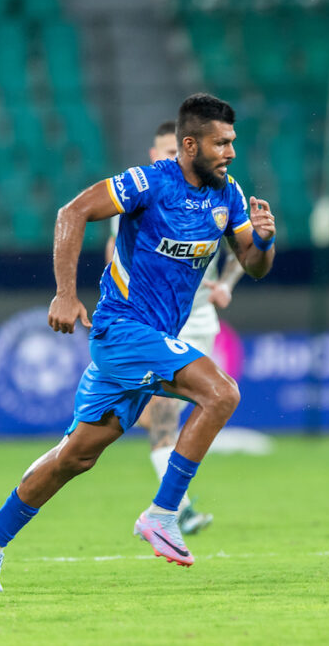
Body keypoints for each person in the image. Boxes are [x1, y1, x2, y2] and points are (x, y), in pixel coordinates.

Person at [0, 93, 276, 593]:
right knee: (221, 393)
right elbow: (73, 211)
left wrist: (264, 239)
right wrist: (65, 292)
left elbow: (254, 265)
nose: (230, 152)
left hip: (147, 341)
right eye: (220, 143)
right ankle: (163, 514)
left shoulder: (229, 194)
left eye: (232, 142)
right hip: (123, 331)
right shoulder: (149, 181)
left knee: (76, 456)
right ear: (188, 144)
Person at [104, 120, 244, 534]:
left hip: (201, 317)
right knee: (166, 414)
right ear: (154, 155)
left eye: (176, 152)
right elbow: (117, 257)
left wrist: (227, 284)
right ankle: (174, 510)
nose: (172, 159)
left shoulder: (216, 197)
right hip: (157, 321)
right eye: (165, 152)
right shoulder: (140, 199)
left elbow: (245, 244)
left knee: (170, 410)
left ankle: (169, 503)